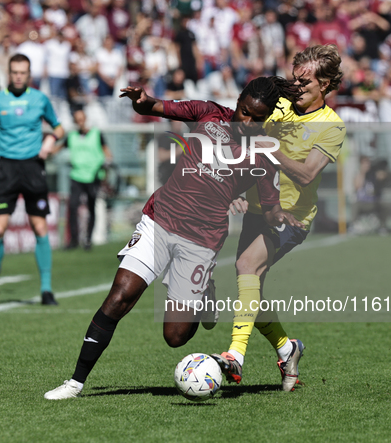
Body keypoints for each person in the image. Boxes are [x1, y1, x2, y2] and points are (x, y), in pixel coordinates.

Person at [44, 76, 305, 400]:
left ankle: (204, 295)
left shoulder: (263, 154)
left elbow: (269, 207)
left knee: (176, 336)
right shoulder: (208, 113)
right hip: (160, 221)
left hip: (201, 240)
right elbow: (158, 106)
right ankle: (75, 383)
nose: (246, 120)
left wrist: (279, 216)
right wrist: (142, 100)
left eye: (256, 117)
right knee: (120, 296)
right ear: (237, 103)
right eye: (243, 110)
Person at [212, 44, 346, 392]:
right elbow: (244, 138)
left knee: (245, 266)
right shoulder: (278, 105)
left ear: (326, 84)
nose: (297, 86)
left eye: (305, 81)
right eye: (294, 78)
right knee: (250, 288)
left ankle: (235, 356)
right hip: (259, 210)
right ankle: (288, 349)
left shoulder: (331, 126)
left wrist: (269, 150)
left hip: (292, 217)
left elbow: (305, 174)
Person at [0, 53, 64, 306]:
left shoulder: (40, 99)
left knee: (40, 228)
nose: (18, 76)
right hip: (5, 168)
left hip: (33, 168)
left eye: (23, 72)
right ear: (9, 73)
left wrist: (50, 140)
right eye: (14, 72)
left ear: (29, 75)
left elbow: (59, 128)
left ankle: (47, 289)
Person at [62, 108, 112, 250]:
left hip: (93, 176)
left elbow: (107, 152)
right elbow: (58, 148)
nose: (80, 122)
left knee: (91, 207)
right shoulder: (72, 136)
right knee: (73, 206)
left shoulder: (96, 133)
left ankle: (88, 240)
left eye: (82, 119)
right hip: (77, 175)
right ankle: (73, 240)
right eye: (77, 120)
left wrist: (106, 168)